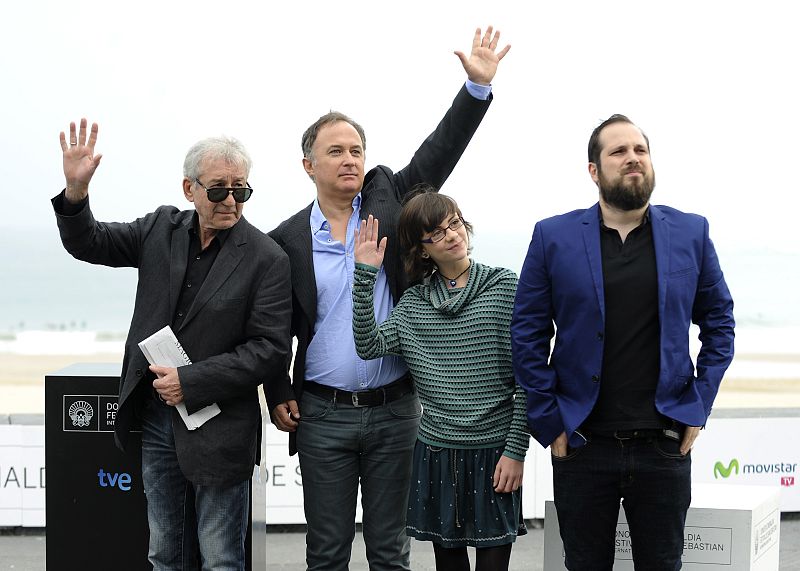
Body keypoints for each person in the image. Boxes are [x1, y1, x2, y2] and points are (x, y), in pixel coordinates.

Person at [266, 26, 510, 571]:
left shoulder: (390, 201)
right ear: (309, 165)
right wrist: (277, 386)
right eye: (335, 151)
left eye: (357, 149)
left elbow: (439, 151)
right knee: (326, 553)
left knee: (390, 554)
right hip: (322, 415)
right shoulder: (283, 240)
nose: (350, 159)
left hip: (397, 412)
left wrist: (475, 90)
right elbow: (273, 327)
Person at [52, 119, 292, 570]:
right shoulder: (160, 229)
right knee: (165, 554)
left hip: (221, 430)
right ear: (190, 188)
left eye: (241, 190)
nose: (230, 201)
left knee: (221, 559)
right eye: (218, 189)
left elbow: (270, 350)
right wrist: (75, 194)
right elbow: (90, 242)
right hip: (157, 421)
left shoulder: (267, 258)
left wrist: (192, 380)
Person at [510, 114, 735, 570]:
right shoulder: (552, 236)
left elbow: (720, 324)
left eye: (640, 150)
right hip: (582, 443)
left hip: (663, 444)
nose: (632, 158)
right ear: (594, 170)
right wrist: (549, 420)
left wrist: (699, 405)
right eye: (618, 151)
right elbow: (528, 332)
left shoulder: (692, 232)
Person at [351, 188, 529, 571]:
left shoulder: (505, 288)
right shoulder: (413, 305)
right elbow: (368, 344)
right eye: (438, 231)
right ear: (421, 248)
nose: (453, 234)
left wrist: (516, 450)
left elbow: (527, 381)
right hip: (436, 454)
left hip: (496, 453)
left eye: (456, 223)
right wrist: (364, 276)